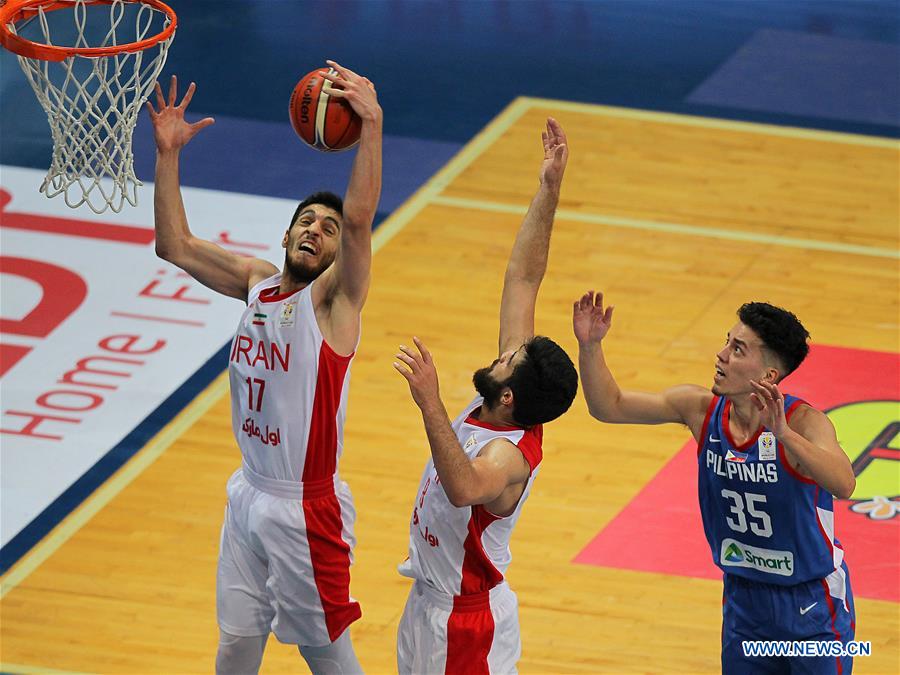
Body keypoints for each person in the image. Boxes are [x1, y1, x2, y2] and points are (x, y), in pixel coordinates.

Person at [147, 61, 381, 675]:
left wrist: (372, 124)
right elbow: (174, 244)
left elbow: (359, 220)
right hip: (247, 492)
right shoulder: (258, 283)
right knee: (236, 643)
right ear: (286, 233)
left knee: (325, 652)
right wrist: (168, 154)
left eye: (328, 230)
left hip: (305, 507)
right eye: (307, 220)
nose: (317, 230)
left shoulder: (334, 304)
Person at [573, 292, 857, 673]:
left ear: (768, 376)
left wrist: (784, 435)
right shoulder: (700, 409)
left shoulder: (805, 422)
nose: (721, 355)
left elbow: (844, 484)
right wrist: (590, 347)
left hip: (812, 605)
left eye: (738, 349)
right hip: (745, 600)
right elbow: (609, 407)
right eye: (727, 342)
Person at [392, 118, 578, 674]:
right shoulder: (509, 398)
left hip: (467, 624)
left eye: (507, 361)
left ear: (508, 400)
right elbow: (523, 278)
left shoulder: (505, 458)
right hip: (426, 605)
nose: (500, 354)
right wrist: (549, 190)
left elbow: (462, 488)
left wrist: (429, 402)